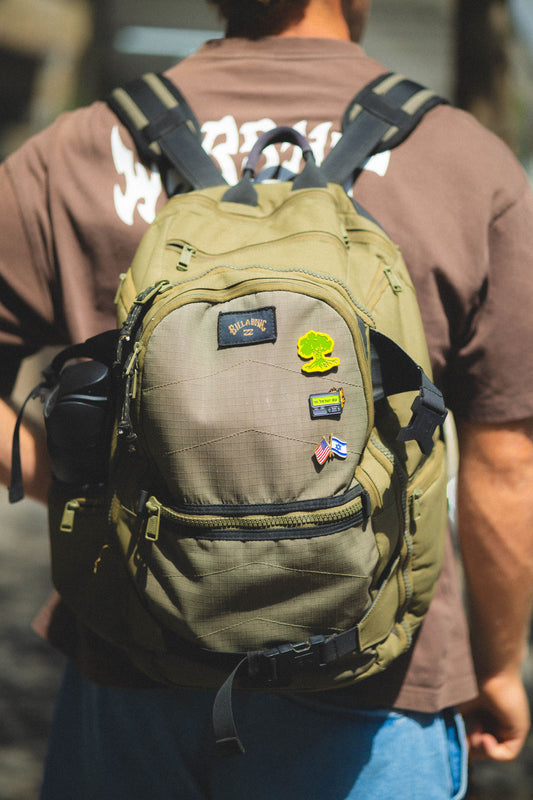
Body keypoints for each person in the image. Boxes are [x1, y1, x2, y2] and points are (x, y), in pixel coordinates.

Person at [0, 0, 532, 797]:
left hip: (130, 659)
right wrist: (496, 667)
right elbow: (505, 462)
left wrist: (89, 484)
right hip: (374, 680)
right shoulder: (460, 158)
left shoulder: (78, 150)